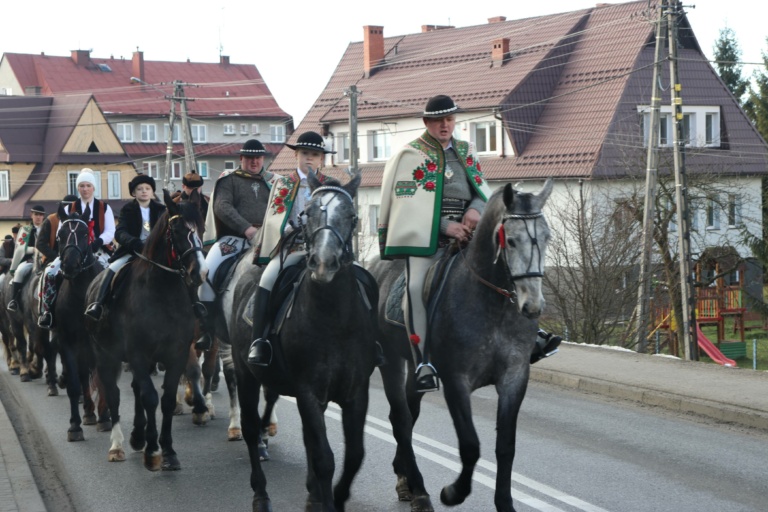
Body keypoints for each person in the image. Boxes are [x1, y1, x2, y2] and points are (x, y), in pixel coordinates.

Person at [378, 95, 492, 392]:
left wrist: (475, 211)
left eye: (450, 119)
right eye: (439, 120)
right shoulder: (410, 155)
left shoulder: (467, 151)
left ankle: (529, 335)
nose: (445, 125)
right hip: (426, 237)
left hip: (469, 234)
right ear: (426, 122)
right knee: (415, 288)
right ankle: (422, 361)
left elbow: (482, 190)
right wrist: (445, 226)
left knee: (510, 262)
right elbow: (407, 204)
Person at [247, 131, 334, 366]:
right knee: (267, 279)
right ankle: (259, 340)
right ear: (296, 155)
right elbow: (275, 219)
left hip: (324, 249)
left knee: (357, 276)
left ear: (321, 160)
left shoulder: (330, 186)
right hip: (293, 249)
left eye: (315, 155)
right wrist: (285, 231)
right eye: (305, 153)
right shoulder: (283, 184)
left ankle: (368, 339)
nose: (309, 159)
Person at [196, 139, 278, 351]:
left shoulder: (275, 182)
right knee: (207, 273)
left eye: (258, 158)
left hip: (268, 240)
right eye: (250, 158)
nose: (254, 162)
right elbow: (222, 207)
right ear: (241, 159)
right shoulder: (229, 180)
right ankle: (206, 328)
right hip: (234, 240)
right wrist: (247, 229)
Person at [37, 169, 115, 329]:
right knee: (49, 272)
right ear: (77, 188)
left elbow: (110, 231)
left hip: (97, 250)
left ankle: (112, 311)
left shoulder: (104, 207)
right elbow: (61, 232)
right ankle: (47, 312)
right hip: (72, 251)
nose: (85, 189)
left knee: (112, 274)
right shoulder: (68, 209)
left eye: (88, 185)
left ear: (93, 188)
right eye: (81, 186)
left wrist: (96, 243)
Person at [85, 174, 165, 320]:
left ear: (152, 192)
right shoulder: (127, 209)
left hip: (156, 253)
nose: (144, 191)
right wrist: (134, 243)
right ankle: (98, 304)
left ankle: (193, 303)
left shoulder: (162, 210)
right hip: (133, 251)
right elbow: (120, 232)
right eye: (140, 189)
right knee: (112, 269)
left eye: (147, 188)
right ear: (134, 193)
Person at [7, 205, 47, 311]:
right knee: (20, 271)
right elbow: (20, 248)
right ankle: (13, 299)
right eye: (36, 214)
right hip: (30, 260)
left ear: (43, 216)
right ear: (31, 215)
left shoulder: (48, 228)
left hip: (46, 259)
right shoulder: (25, 229)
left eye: (41, 215)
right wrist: (34, 249)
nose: (38, 217)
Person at [173, 171, 210, 238]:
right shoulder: (175, 203)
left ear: (200, 187)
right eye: (190, 188)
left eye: (196, 189)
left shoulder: (208, 201)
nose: (193, 191)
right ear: (183, 186)